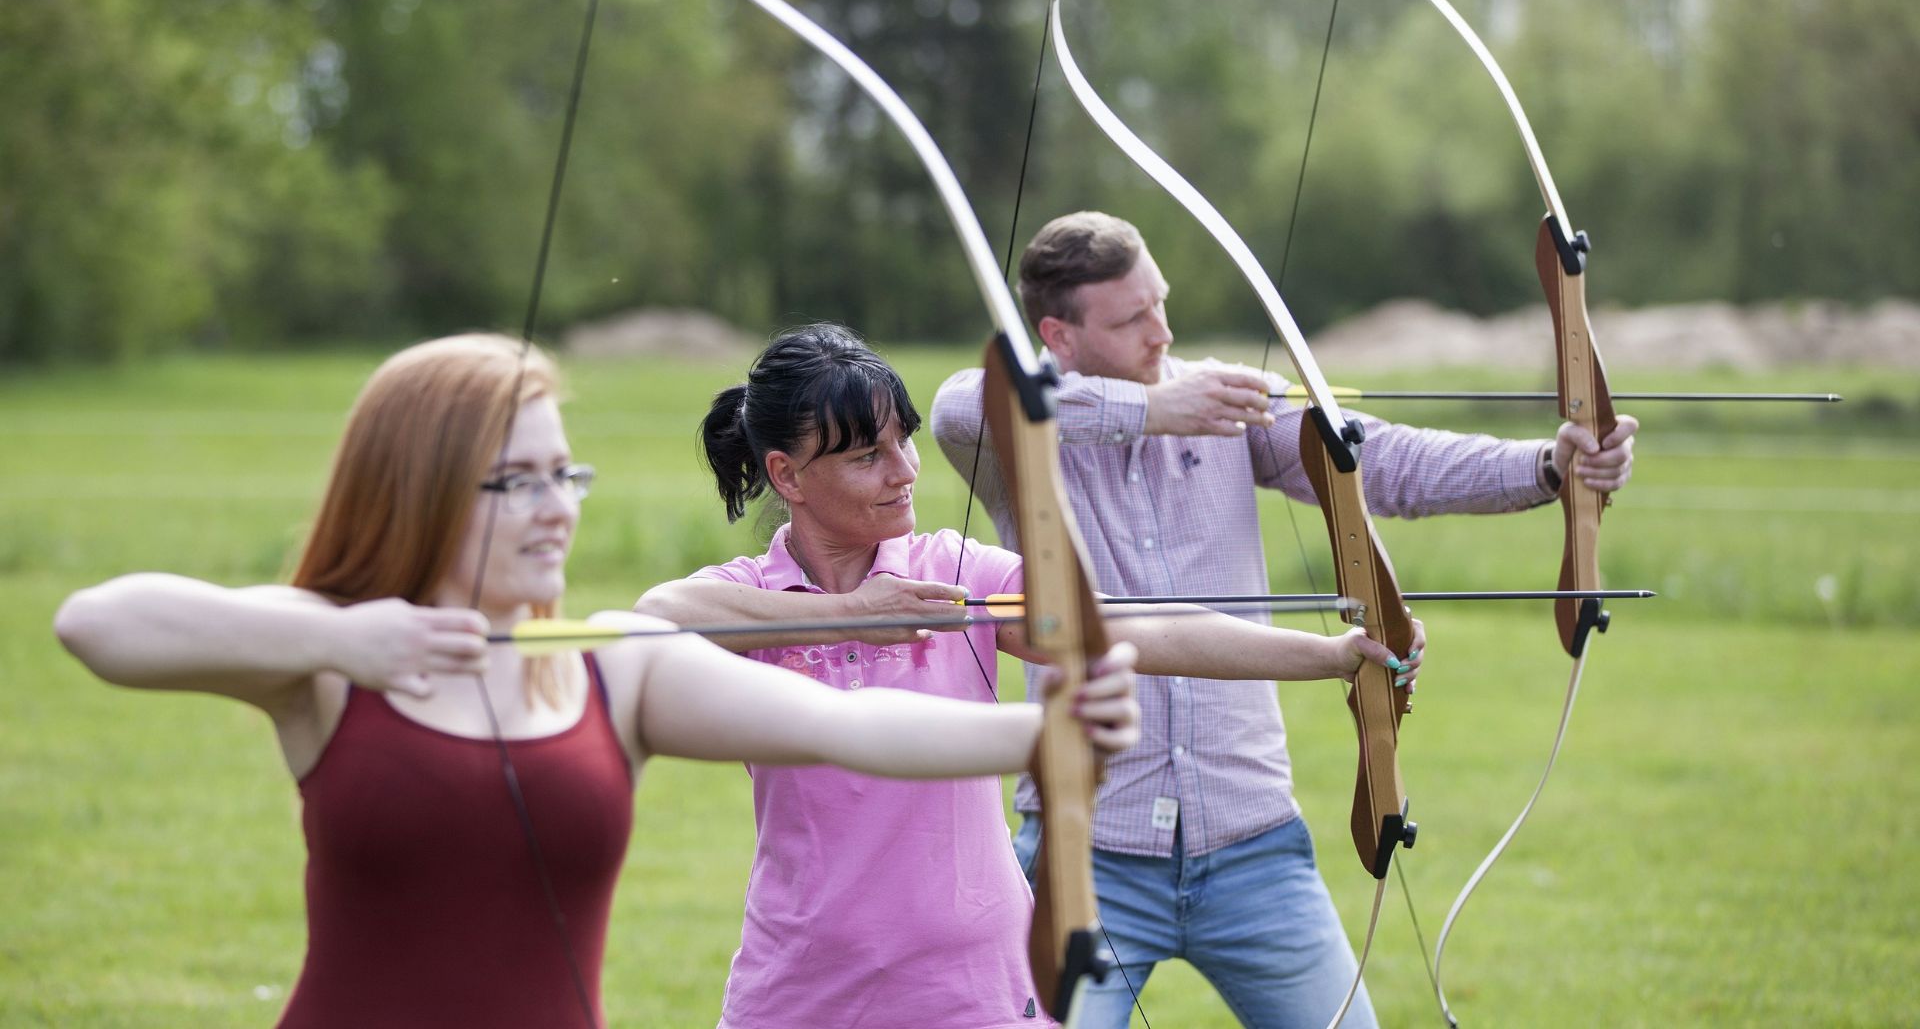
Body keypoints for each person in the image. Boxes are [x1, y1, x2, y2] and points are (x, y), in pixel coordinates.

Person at [52, 333, 1144, 1029]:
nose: (557, 505)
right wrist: (347, 642)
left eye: (562, 473)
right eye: (514, 480)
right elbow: (98, 624)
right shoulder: (334, 663)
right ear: (425, 485)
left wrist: (1050, 730)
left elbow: (845, 728)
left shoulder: (609, 663)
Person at [930, 210, 1641, 1028]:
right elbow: (961, 404)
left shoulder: (1230, 402)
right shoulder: (1019, 431)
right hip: (1087, 856)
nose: (1162, 332)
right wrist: (1153, 411)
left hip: (1253, 848)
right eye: (1131, 320)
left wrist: (1548, 465)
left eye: (1159, 302)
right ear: (1058, 334)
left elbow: (1381, 459)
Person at [634, 322, 1422, 1029]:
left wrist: (1328, 656)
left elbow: (1134, 626)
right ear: (788, 475)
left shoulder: (956, 573)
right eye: (866, 455)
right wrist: (847, 614)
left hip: (976, 991)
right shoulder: (750, 597)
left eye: (902, 441)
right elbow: (654, 617)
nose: (904, 470)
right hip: (801, 992)